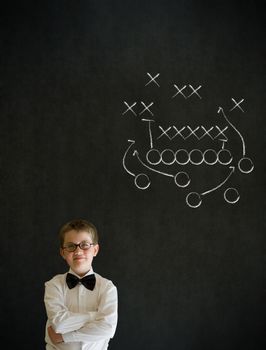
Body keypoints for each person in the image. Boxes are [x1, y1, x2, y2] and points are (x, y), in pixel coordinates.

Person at [44, 219, 118, 349]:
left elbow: (107, 329)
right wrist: (94, 316)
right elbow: (59, 324)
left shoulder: (107, 287)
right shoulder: (53, 285)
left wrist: (64, 337)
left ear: (95, 250)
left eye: (84, 245)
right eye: (71, 246)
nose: (78, 252)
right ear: (63, 252)